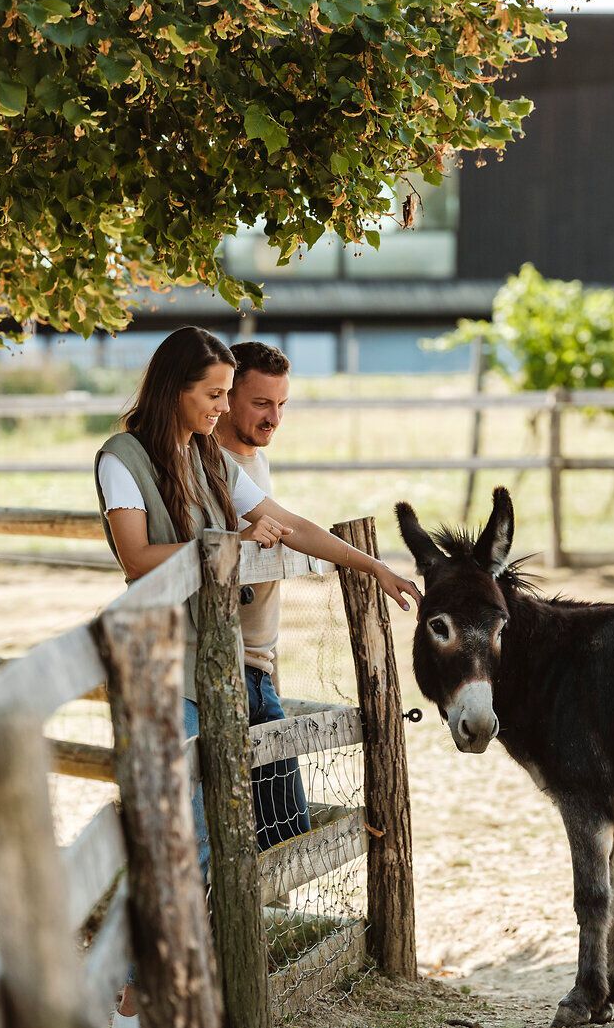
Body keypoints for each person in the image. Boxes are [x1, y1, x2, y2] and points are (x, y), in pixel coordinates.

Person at [98, 326, 418, 1021]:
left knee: (218, 839)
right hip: (162, 674)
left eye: (223, 394)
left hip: (215, 673)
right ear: (173, 389)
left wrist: (370, 565)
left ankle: (171, 987)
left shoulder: (210, 459)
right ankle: (129, 995)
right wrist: (230, 546)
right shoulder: (123, 457)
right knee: (180, 839)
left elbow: (288, 522)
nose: (221, 406)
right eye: (212, 394)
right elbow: (135, 557)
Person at [215, 340, 309, 849]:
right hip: (230, 671)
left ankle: (275, 927)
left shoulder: (253, 460)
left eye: (281, 405)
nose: (274, 418)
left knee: (280, 831)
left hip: (260, 667)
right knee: (275, 832)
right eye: (260, 403)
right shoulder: (213, 465)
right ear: (227, 397)